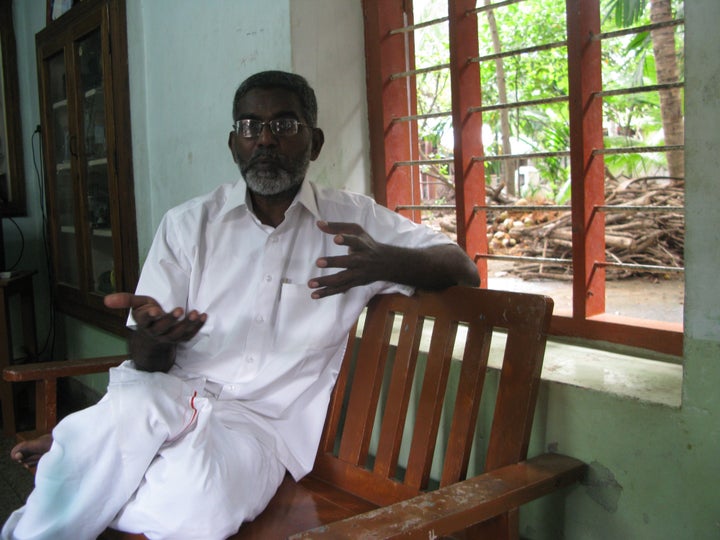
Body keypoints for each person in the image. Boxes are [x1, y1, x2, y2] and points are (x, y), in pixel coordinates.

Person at [2, 70, 479, 540]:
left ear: (314, 142)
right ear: (234, 144)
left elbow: (462, 268)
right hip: (164, 396)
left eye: (285, 125)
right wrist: (150, 338)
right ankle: (71, 478)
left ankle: (82, 454)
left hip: (260, 428)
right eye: (250, 126)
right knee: (140, 404)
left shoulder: (354, 222)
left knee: (199, 509)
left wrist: (384, 261)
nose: (265, 140)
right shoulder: (188, 225)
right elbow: (147, 363)